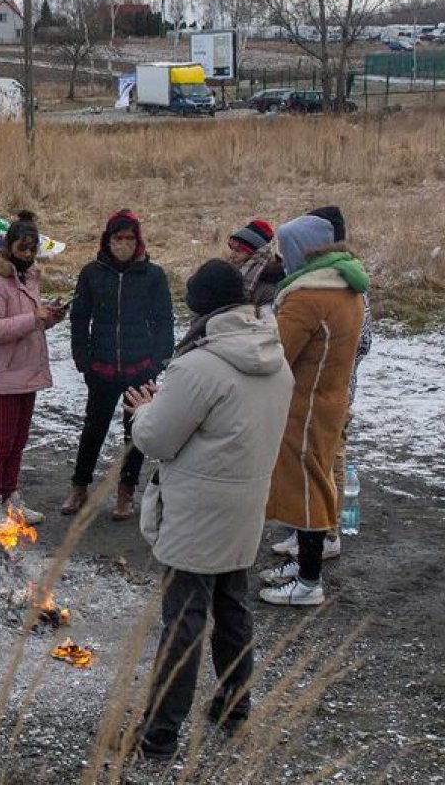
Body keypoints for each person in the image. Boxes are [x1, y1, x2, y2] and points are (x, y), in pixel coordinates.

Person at [125, 259, 293, 760]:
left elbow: (157, 438)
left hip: (198, 511)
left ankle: (158, 735)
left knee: (184, 623)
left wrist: (145, 408)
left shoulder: (199, 365)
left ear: (200, 309)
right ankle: (234, 706)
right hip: (245, 503)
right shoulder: (274, 356)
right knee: (234, 607)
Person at [258, 216, 367, 607]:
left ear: (301, 250)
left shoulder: (308, 297)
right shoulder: (347, 288)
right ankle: (305, 563)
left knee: (306, 485)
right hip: (328, 399)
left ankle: (308, 581)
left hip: (304, 404)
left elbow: (275, 352)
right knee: (310, 479)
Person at [63, 209, 174, 520]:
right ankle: (80, 486)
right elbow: (80, 317)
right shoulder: (92, 273)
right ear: (107, 240)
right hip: (101, 367)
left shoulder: (153, 275)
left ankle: (126, 491)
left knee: (135, 432)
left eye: (129, 238)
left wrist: (158, 360)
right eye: (118, 238)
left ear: (137, 241)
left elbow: (164, 319)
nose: (123, 243)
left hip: (140, 367)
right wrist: (82, 359)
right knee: (93, 429)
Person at [0, 211, 66, 525]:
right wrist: (33, 319)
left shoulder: (27, 278)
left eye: (32, 249)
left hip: (24, 372)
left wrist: (48, 318)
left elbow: (27, 323)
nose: (27, 255)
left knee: (17, 442)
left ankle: (10, 499)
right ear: (8, 246)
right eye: (22, 249)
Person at [224, 218, 283, 305]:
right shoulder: (231, 269)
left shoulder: (271, 280)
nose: (232, 255)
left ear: (254, 253)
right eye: (232, 249)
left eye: (238, 251)